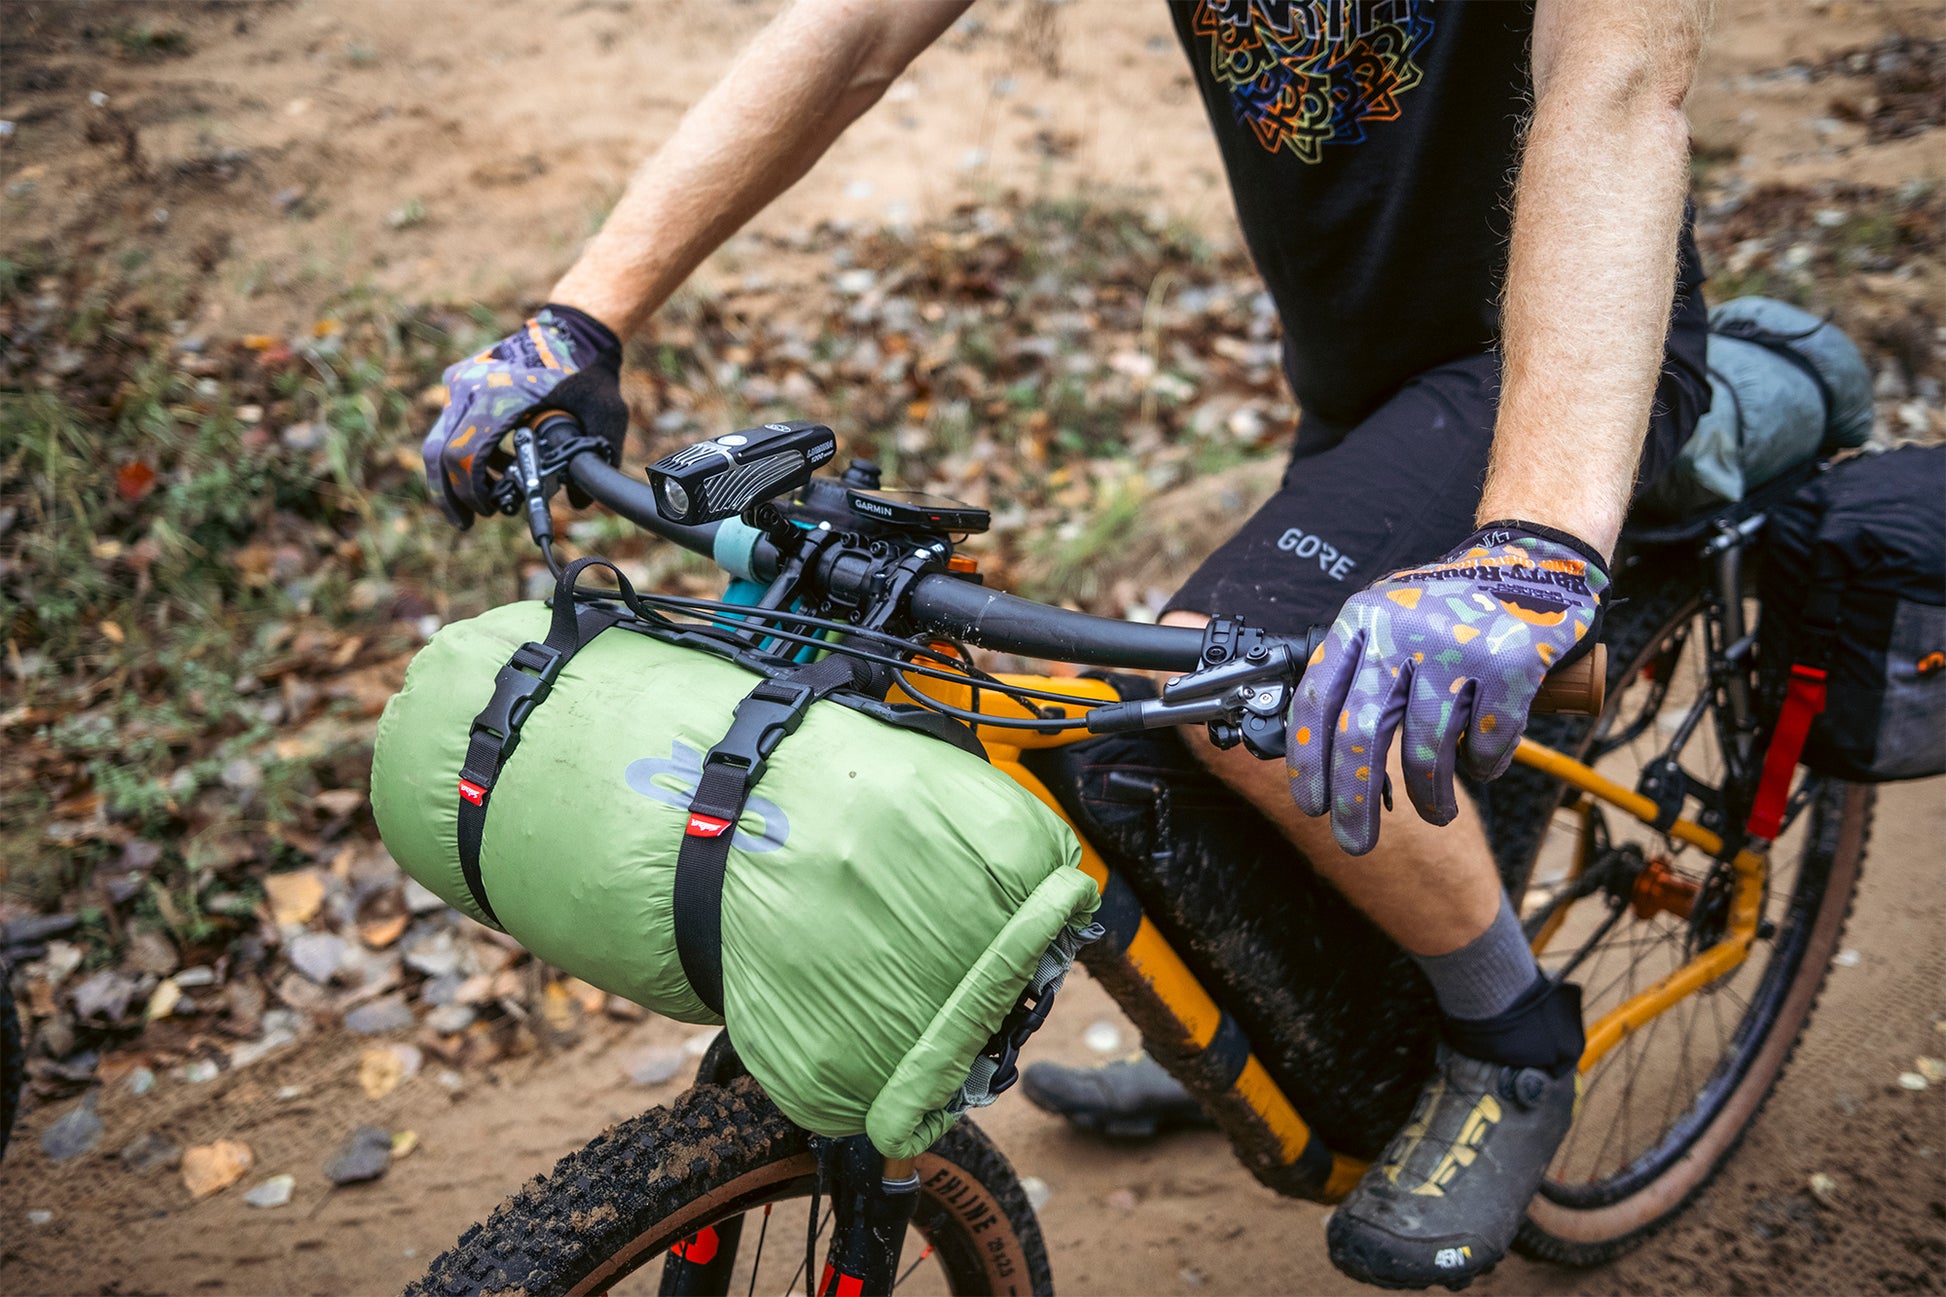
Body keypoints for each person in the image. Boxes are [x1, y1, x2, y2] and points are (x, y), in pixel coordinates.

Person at [419, 1, 1712, 1288]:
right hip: (1359, 381)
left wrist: (1531, 536)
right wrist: (582, 318)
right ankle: (1276, 997)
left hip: (1563, 365)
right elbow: (855, 28)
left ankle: (1509, 1032)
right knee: (1152, 747)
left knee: (1218, 674)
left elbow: (1616, 88)